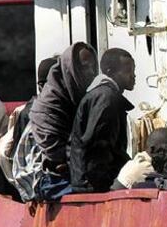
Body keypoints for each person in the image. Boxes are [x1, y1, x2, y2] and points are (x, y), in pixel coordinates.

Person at [29, 42, 98, 201]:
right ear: (70, 68)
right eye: (84, 66)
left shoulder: (86, 97)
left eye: (93, 67)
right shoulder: (48, 105)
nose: (91, 72)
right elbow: (56, 153)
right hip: (56, 182)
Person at [69, 48, 135, 193]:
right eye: (128, 71)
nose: (133, 76)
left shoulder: (104, 95)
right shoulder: (106, 98)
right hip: (92, 186)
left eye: (133, 70)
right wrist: (102, 185)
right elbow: (98, 145)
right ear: (110, 71)